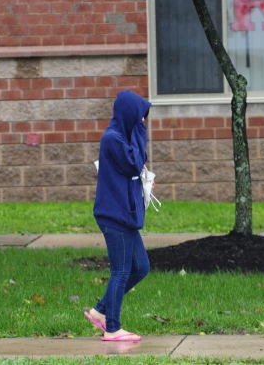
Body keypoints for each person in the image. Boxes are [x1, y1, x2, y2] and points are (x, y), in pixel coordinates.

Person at [83, 90, 151, 342]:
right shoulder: (112, 138)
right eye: (140, 116)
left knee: (141, 267)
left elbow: (132, 168)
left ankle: (100, 311)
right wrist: (140, 132)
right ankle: (112, 327)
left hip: (126, 214)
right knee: (121, 271)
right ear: (129, 114)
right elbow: (133, 163)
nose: (142, 121)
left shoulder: (122, 137)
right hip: (114, 216)